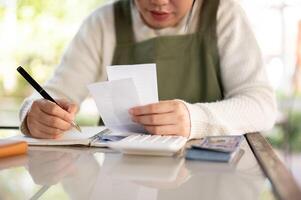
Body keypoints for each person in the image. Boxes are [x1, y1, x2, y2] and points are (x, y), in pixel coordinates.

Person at [19, 0, 277, 139]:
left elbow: (261, 106)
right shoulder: (103, 23)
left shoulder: (224, 13)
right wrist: (32, 114)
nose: (160, 3)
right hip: (121, 175)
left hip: (211, 177)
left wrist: (194, 118)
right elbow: (55, 92)